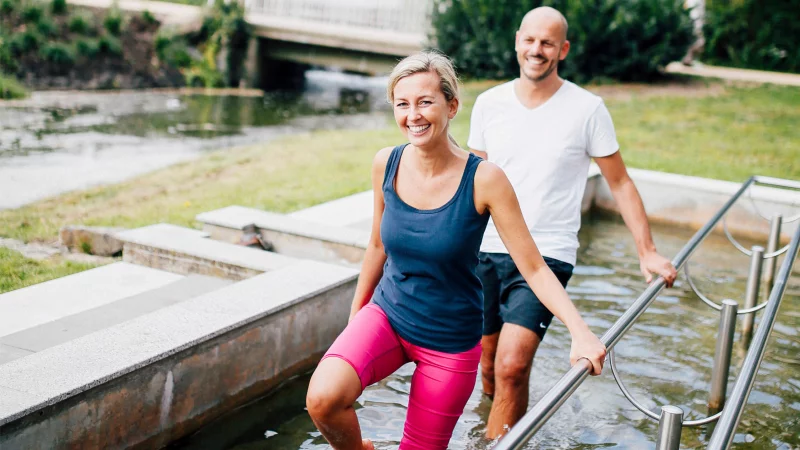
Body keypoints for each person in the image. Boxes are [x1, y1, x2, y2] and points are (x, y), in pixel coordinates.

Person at [305, 51, 607, 450]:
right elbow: (377, 244)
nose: (413, 115)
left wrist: (580, 332)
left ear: (451, 106)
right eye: (402, 104)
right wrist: (356, 316)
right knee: (323, 400)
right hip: (388, 316)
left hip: (448, 342)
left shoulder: (484, 179)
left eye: (425, 102)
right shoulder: (386, 163)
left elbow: (533, 267)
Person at [467, 7, 679, 438]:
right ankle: (493, 433)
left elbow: (619, 182)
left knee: (512, 366)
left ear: (562, 49)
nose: (536, 50)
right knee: (487, 364)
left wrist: (647, 251)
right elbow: (473, 182)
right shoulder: (489, 103)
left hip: (547, 254)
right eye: (530, 40)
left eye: (547, 43)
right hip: (487, 249)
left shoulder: (587, 109)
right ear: (517, 41)